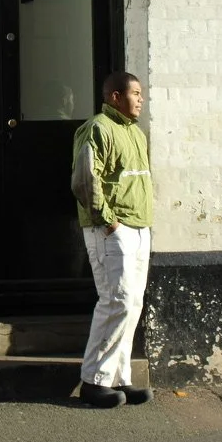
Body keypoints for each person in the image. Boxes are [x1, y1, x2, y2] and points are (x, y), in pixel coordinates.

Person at [70, 71, 154, 408]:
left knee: (132, 304)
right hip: (112, 230)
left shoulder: (135, 132)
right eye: (135, 93)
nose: (141, 99)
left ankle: (119, 378)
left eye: (141, 93)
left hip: (139, 228)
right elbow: (84, 179)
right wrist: (110, 223)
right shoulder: (98, 128)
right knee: (116, 300)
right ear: (115, 97)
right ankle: (94, 381)